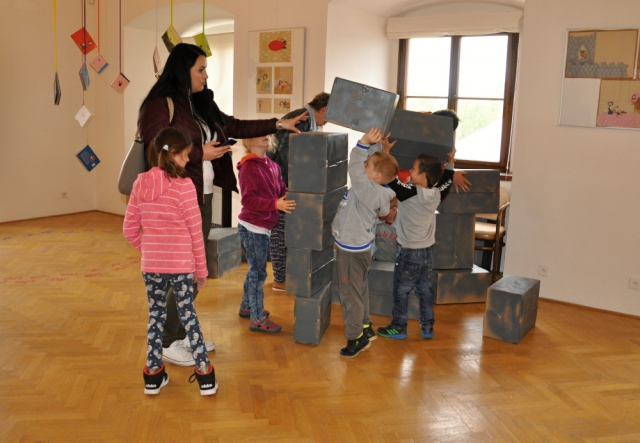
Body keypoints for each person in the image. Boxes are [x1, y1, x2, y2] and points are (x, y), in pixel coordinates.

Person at [138, 43, 308, 366]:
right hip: (174, 201)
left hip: (199, 196)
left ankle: (179, 333)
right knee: (186, 271)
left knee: (192, 270)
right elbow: (157, 148)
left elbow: (235, 126)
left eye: (206, 69)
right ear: (183, 70)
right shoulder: (160, 105)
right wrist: (200, 153)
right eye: (200, 69)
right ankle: (167, 340)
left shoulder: (200, 102)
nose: (206, 75)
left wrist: (278, 124)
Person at [123, 127, 217, 396]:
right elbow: (196, 234)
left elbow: (129, 230)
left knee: (156, 317)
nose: (188, 160)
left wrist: (150, 250)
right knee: (189, 318)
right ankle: (205, 378)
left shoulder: (140, 183)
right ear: (172, 154)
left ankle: (153, 377)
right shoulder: (185, 187)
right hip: (182, 267)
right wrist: (201, 271)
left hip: (151, 266)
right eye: (185, 155)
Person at [331, 127, 398, 358]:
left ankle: (355, 337)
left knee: (350, 296)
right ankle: (366, 326)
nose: (363, 165)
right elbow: (375, 164)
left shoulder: (366, 189)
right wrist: (378, 146)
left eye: (367, 165)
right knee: (359, 289)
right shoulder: (378, 189)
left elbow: (354, 167)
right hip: (360, 248)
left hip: (351, 252)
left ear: (375, 175)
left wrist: (363, 142)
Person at [376, 148, 445, 341]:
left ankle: (398, 327)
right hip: (427, 253)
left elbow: (391, 180)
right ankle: (427, 327)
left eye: (414, 169)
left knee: (401, 290)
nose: (410, 171)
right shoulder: (435, 194)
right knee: (424, 290)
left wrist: (385, 153)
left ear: (423, 175)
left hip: (409, 253)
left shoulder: (410, 193)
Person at [268, 92, 330, 292]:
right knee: (280, 232)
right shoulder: (302, 119)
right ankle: (279, 279)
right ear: (324, 110)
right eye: (329, 116)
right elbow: (289, 155)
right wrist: (298, 182)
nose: (328, 121)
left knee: (285, 230)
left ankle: (284, 276)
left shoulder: (307, 120)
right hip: (281, 183)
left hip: (284, 182)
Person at [237, 135, 296, 333]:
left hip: (263, 226)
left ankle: (247, 306)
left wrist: (293, 195)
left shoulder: (273, 165)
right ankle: (257, 318)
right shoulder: (248, 167)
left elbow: (281, 191)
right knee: (258, 273)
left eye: (268, 134)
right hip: (252, 227)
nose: (266, 136)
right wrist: (275, 204)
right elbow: (248, 200)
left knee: (255, 270)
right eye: (260, 134)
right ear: (249, 141)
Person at [372, 198, 399, 262]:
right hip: (376, 262)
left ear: (394, 210)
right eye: (378, 209)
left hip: (395, 263)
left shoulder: (402, 225)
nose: (379, 213)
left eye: (382, 210)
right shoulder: (375, 222)